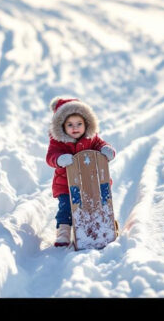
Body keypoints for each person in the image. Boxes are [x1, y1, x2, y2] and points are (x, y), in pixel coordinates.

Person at [45, 97, 116, 247]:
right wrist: (59, 159)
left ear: (86, 123)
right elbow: (50, 157)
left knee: (100, 203)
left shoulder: (92, 138)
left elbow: (102, 144)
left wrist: (106, 150)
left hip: (92, 182)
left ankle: (106, 223)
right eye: (70, 124)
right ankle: (63, 231)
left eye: (79, 124)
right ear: (62, 126)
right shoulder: (58, 142)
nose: (75, 128)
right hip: (66, 184)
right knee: (66, 207)